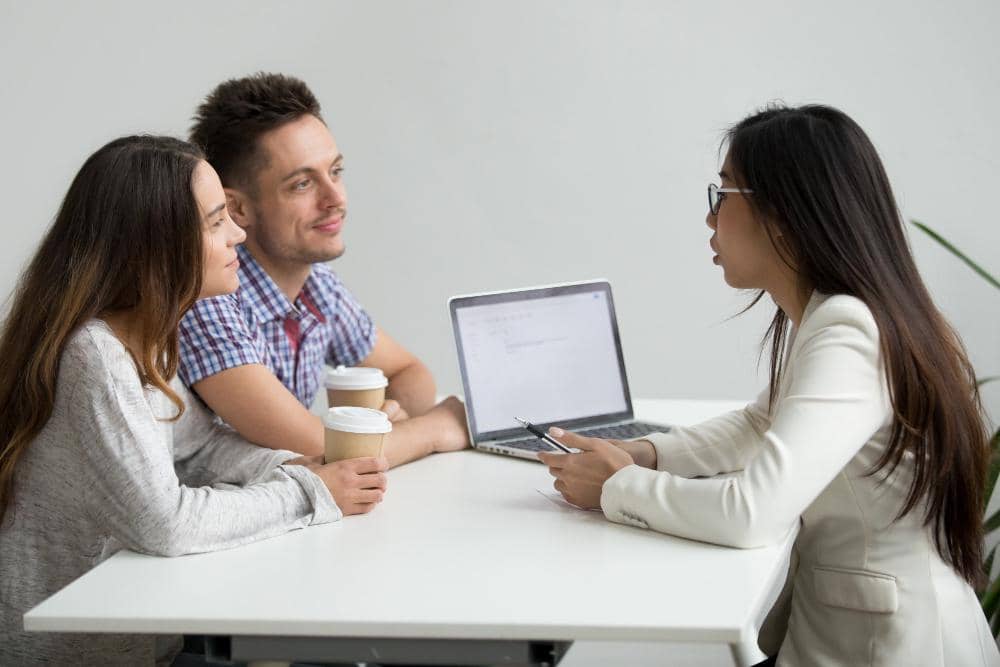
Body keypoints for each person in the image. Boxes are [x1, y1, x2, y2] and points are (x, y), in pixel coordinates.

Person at [538, 105, 999, 665]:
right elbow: (763, 422)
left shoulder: (849, 330)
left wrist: (618, 485)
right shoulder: (846, 313)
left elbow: (752, 514)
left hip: (892, 646)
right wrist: (643, 452)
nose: (711, 219)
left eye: (724, 193)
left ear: (783, 211)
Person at [0, 135, 388, 665]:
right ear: (155, 246)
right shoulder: (96, 355)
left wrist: (295, 464)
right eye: (215, 222)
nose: (239, 234)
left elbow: (200, 449)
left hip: (142, 640)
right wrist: (308, 491)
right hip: (77, 654)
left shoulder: (148, 339)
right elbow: (167, 523)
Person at [179, 72, 468, 465]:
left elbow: (409, 371)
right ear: (237, 209)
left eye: (335, 172)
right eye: (302, 184)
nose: (335, 199)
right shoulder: (208, 294)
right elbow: (320, 449)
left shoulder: (317, 285)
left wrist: (389, 417)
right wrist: (437, 428)